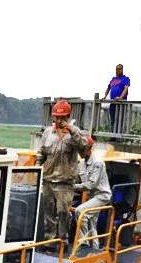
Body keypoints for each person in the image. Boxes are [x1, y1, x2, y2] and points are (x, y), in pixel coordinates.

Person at [36, 100, 88, 246]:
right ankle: (50, 241)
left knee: (63, 212)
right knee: (49, 212)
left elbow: (84, 146)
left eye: (62, 118)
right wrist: (37, 164)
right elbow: (42, 151)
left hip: (65, 181)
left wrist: (71, 130)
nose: (59, 121)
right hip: (48, 179)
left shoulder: (74, 132)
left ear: (67, 116)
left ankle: (63, 239)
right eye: (56, 118)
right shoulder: (48, 132)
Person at [73, 137, 111, 250]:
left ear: (89, 149)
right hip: (92, 196)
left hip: (101, 195)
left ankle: (84, 242)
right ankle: (95, 248)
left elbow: (90, 185)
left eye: (81, 150)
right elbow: (76, 178)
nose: (79, 152)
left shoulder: (98, 163)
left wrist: (72, 187)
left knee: (80, 212)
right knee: (91, 222)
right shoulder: (82, 163)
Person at [103, 63, 130, 134]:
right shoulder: (113, 79)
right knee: (113, 119)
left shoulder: (125, 79)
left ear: (122, 69)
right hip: (113, 102)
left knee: (120, 120)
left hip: (121, 103)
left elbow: (126, 88)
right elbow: (108, 88)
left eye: (119, 69)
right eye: (116, 69)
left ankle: (119, 136)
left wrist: (121, 97)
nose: (117, 71)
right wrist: (105, 96)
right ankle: (112, 135)